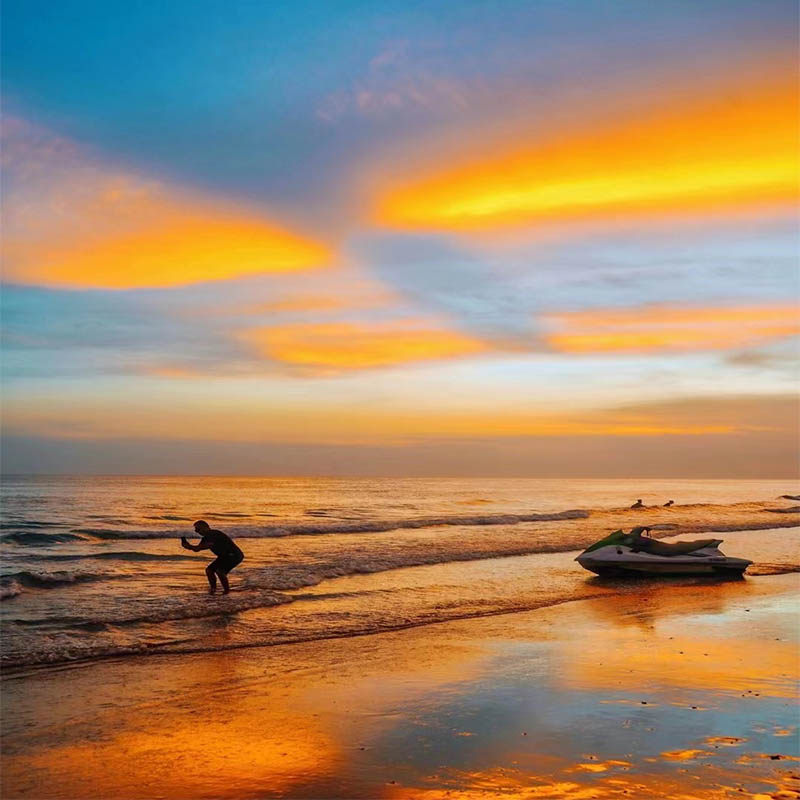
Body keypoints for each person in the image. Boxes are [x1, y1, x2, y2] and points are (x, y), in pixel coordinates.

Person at [181, 520, 244, 594]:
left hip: (234, 555)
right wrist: (188, 546)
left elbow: (207, 545)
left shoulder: (213, 533)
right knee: (209, 570)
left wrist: (190, 546)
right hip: (224, 556)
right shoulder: (205, 538)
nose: (196, 531)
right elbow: (197, 549)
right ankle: (213, 589)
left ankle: (226, 591)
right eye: (195, 530)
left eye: (198, 529)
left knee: (220, 571)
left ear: (205, 527)